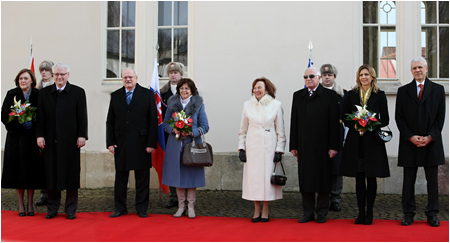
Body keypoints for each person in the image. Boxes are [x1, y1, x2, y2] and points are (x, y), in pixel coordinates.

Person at [395, 57, 445, 227]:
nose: (417, 70)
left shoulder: (438, 90)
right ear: (411, 71)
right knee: (408, 180)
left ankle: (432, 213)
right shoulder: (403, 91)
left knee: (432, 181)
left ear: (426, 68)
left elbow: (440, 118)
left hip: (432, 143)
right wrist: (410, 136)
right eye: (414, 68)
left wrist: (430, 136)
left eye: (420, 67)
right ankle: (408, 213)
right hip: (410, 142)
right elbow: (399, 117)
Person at [36, 62, 88, 220]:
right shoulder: (45, 93)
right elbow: (40, 117)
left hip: (71, 142)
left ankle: (70, 209)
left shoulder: (78, 92)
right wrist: (40, 135)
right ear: (53, 75)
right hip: (50, 142)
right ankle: (52, 208)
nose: (59, 77)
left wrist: (82, 135)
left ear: (68, 75)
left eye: (62, 74)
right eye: (56, 74)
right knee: (51, 175)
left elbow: (82, 116)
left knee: (71, 175)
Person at [340, 64, 390, 225]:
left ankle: (370, 213)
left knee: (372, 178)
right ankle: (361, 212)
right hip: (356, 142)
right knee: (359, 178)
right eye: (361, 75)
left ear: (372, 77)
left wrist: (370, 122)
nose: (364, 77)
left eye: (367, 74)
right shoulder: (351, 94)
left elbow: (386, 119)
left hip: (373, 143)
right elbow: (344, 116)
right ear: (358, 77)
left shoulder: (379, 95)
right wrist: (354, 124)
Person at [290, 67, 340, 224]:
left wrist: (334, 146)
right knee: (306, 180)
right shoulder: (298, 96)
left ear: (319, 77)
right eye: (305, 76)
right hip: (304, 146)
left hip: (324, 147)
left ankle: (322, 212)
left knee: (324, 180)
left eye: (311, 76)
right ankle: (308, 212)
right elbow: (294, 122)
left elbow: (335, 124)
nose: (308, 79)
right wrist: (294, 145)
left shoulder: (330, 96)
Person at [106, 67, 158, 218]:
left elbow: (152, 120)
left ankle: (142, 208)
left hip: (141, 143)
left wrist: (151, 143)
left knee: (142, 179)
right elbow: (110, 120)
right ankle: (120, 208)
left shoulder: (147, 94)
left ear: (136, 77)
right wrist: (110, 142)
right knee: (121, 179)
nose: (128, 79)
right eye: (125, 77)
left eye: (130, 77)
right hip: (121, 143)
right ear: (122, 79)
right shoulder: (115, 95)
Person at [238, 77, 286, 223]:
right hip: (252, 146)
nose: (256, 90)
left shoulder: (276, 105)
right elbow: (242, 130)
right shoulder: (247, 105)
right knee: (254, 180)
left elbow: (281, 130)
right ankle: (256, 209)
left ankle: (265, 209)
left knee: (267, 180)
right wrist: (241, 148)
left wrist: (279, 150)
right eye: (254, 87)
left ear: (266, 89)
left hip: (269, 146)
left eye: (259, 87)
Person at [162, 78, 209, 219]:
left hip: (191, 146)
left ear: (192, 91)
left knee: (191, 177)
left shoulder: (198, 105)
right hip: (175, 145)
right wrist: (174, 129)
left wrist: (191, 132)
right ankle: (181, 206)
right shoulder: (172, 103)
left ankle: (190, 206)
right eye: (182, 88)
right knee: (178, 177)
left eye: (187, 89)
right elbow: (165, 125)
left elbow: (205, 126)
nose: (184, 91)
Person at [1, 69, 45, 217]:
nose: (23, 81)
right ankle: (20, 204)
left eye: (26, 78)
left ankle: (31, 203)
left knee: (31, 172)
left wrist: (34, 125)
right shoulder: (11, 94)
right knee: (18, 173)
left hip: (32, 140)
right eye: (20, 79)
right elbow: (4, 115)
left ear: (32, 80)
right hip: (15, 139)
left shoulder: (38, 95)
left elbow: (44, 115)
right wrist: (19, 124)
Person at [320, 64, 347, 212]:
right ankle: (322, 197)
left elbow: (347, 116)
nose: (327, 77)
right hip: (321, 134)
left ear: (334, 77)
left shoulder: (342, 94)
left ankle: (335, 199)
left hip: (337, 133)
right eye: (324, 75)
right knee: (322, 167)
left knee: (337, 168)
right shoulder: (316, 94)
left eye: (330, 75)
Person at [160, 61, 184, 209]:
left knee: (185, 166)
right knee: (172, 167)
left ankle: (186, 197)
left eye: (175, 72)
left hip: (186, 135)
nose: (173, 75)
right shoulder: (162, 92)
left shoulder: (189, 90)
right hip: (169, 134)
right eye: (170, 73)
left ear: (181, 74)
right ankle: (174, 196)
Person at [35, 60, 55, 207]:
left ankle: (54, 195)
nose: (44, 73)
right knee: (41, 166)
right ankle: (44, 194)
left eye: (47, 70)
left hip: (53, 132)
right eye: (42, 71)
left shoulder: (56, 87)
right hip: (40, 131)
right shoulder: (37, 88)